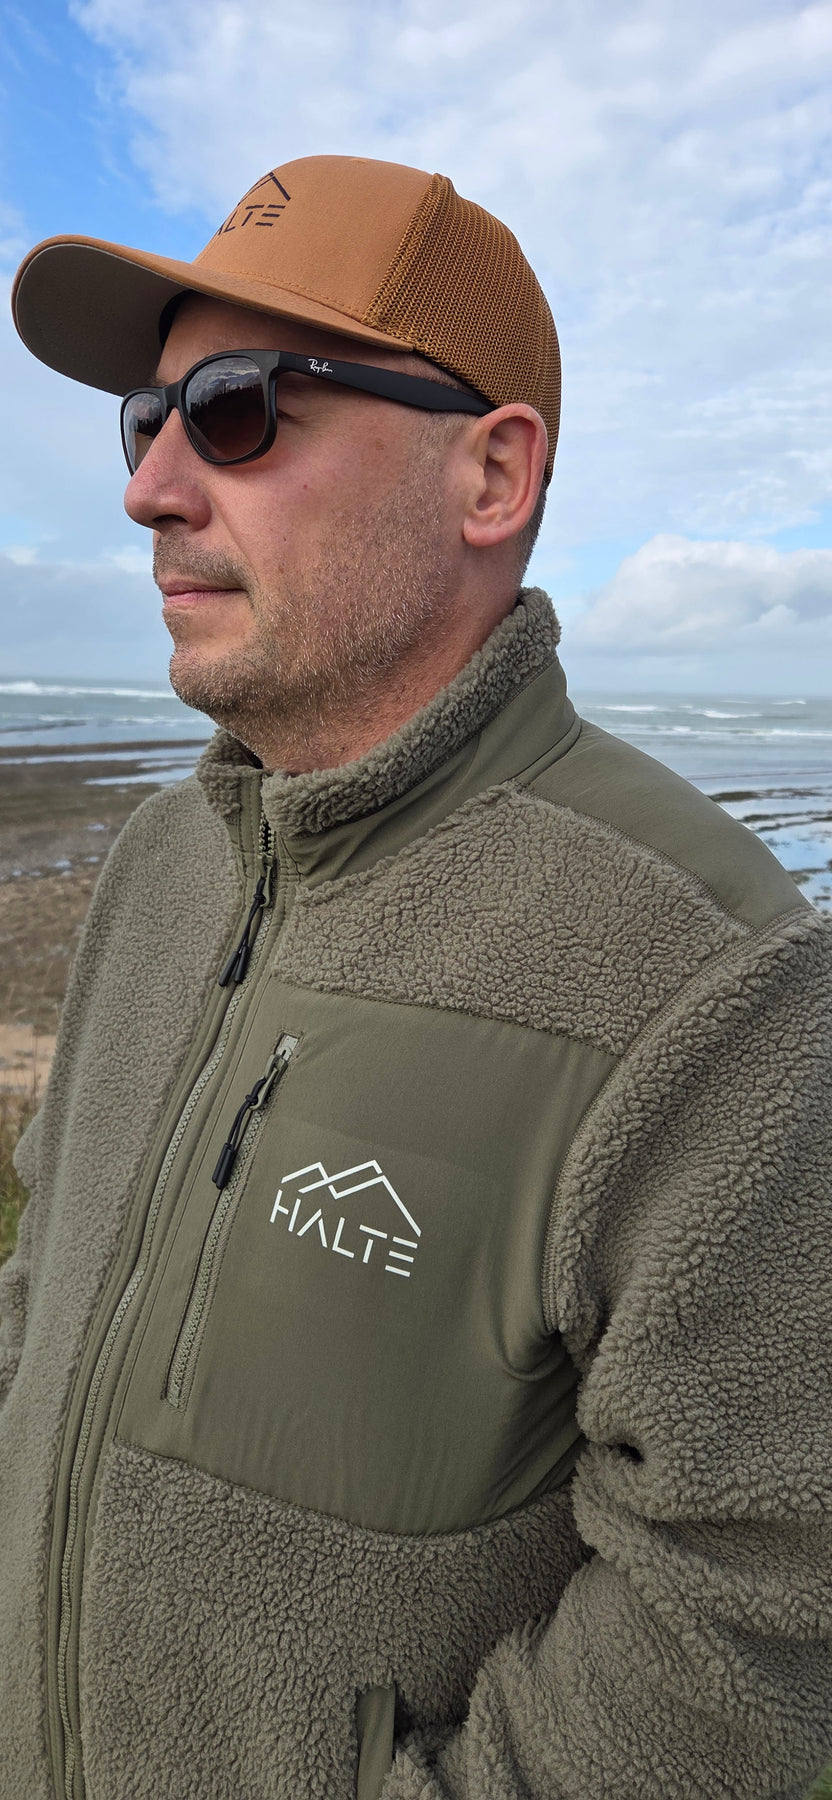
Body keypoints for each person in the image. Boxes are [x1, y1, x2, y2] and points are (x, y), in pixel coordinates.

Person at [2, 153, 830, 1800]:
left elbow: (759, 1610)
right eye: (148, 417)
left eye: (235, 410)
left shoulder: (711, 977)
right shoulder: (158, 866)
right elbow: (46, 1299)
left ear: (491, 474)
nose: (151, 487)